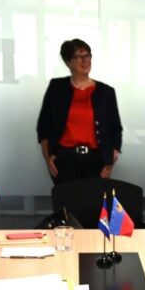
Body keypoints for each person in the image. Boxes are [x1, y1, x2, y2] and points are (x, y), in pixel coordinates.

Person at [37, 38, 123, 185]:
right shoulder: (57, 88)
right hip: (64, 161)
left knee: (93, 199)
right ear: (68, 62)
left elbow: (115, 128)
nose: (85, 61)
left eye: (88, 55)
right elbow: (44, 126)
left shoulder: (106, 92)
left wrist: (110, 161)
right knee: (67, 199)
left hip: (97, 161)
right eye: (79, 56)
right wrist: (47, 158)